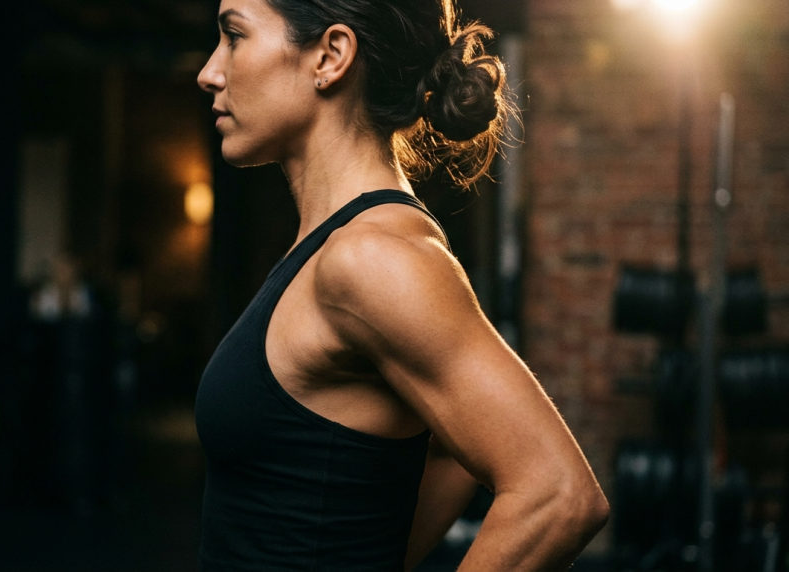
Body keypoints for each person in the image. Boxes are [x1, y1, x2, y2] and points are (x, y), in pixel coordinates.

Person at [194, 0, 610, 570]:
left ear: (331, 56)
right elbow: (450, 449)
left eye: (234, 36)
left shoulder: (372, 258)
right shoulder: (332, 247)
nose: (210, 71)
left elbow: (558, 495)